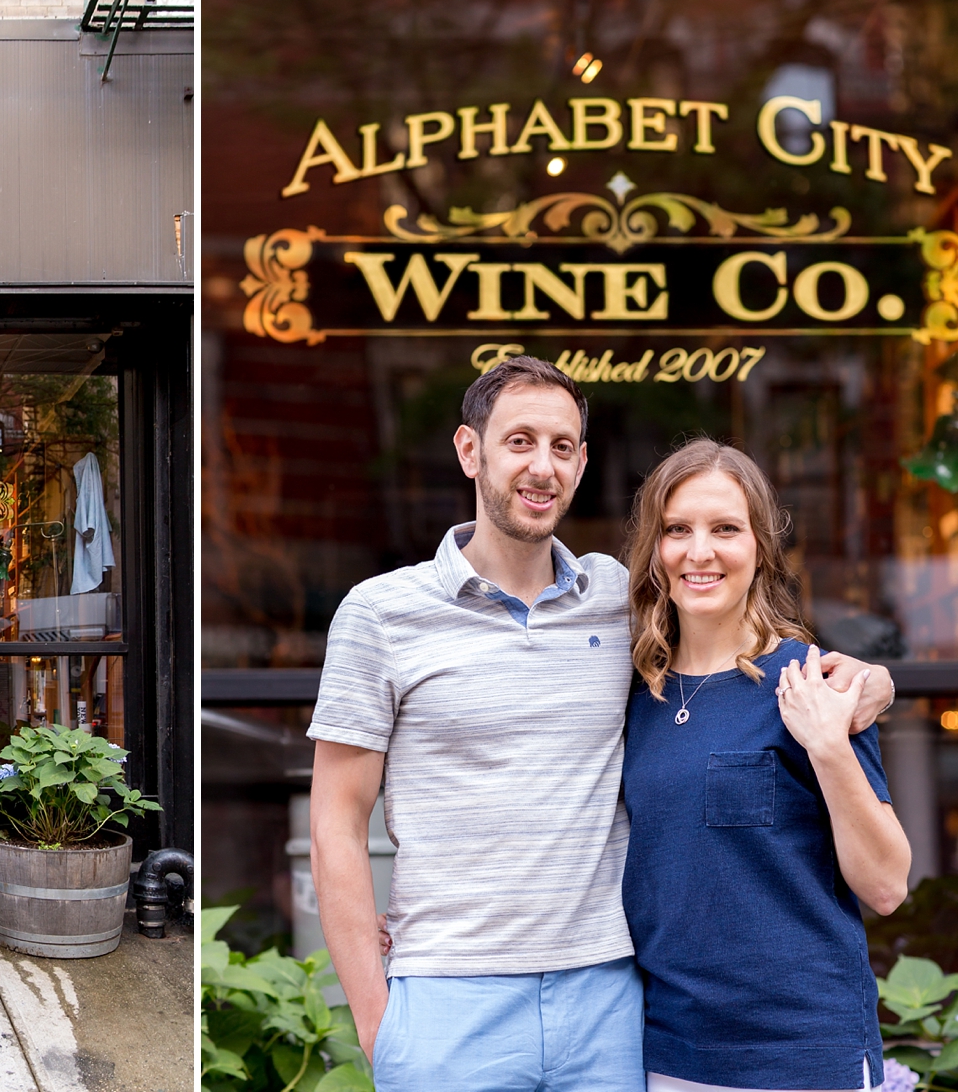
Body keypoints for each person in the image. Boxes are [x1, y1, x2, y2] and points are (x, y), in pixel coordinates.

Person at [309, 356, 892, 1092]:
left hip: (610, 998)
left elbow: (734, 647)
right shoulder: (380, 613)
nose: (541, 466)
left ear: (582, 462)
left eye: (561, 446)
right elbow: (336, 818)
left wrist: (874, 681)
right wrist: (375, 1017)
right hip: (452, 994)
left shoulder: (619, 603)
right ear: (469, 450)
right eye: (519, 440)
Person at [620, 440, 910, 1092]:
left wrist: (829, 745)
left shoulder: (812, 682)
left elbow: (888, 884)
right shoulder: (633, 696)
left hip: (804, 1055)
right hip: (672, 1054)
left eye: (725, 528)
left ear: (760, 546)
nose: (699, 551)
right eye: (677, 529)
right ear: (655, 548)